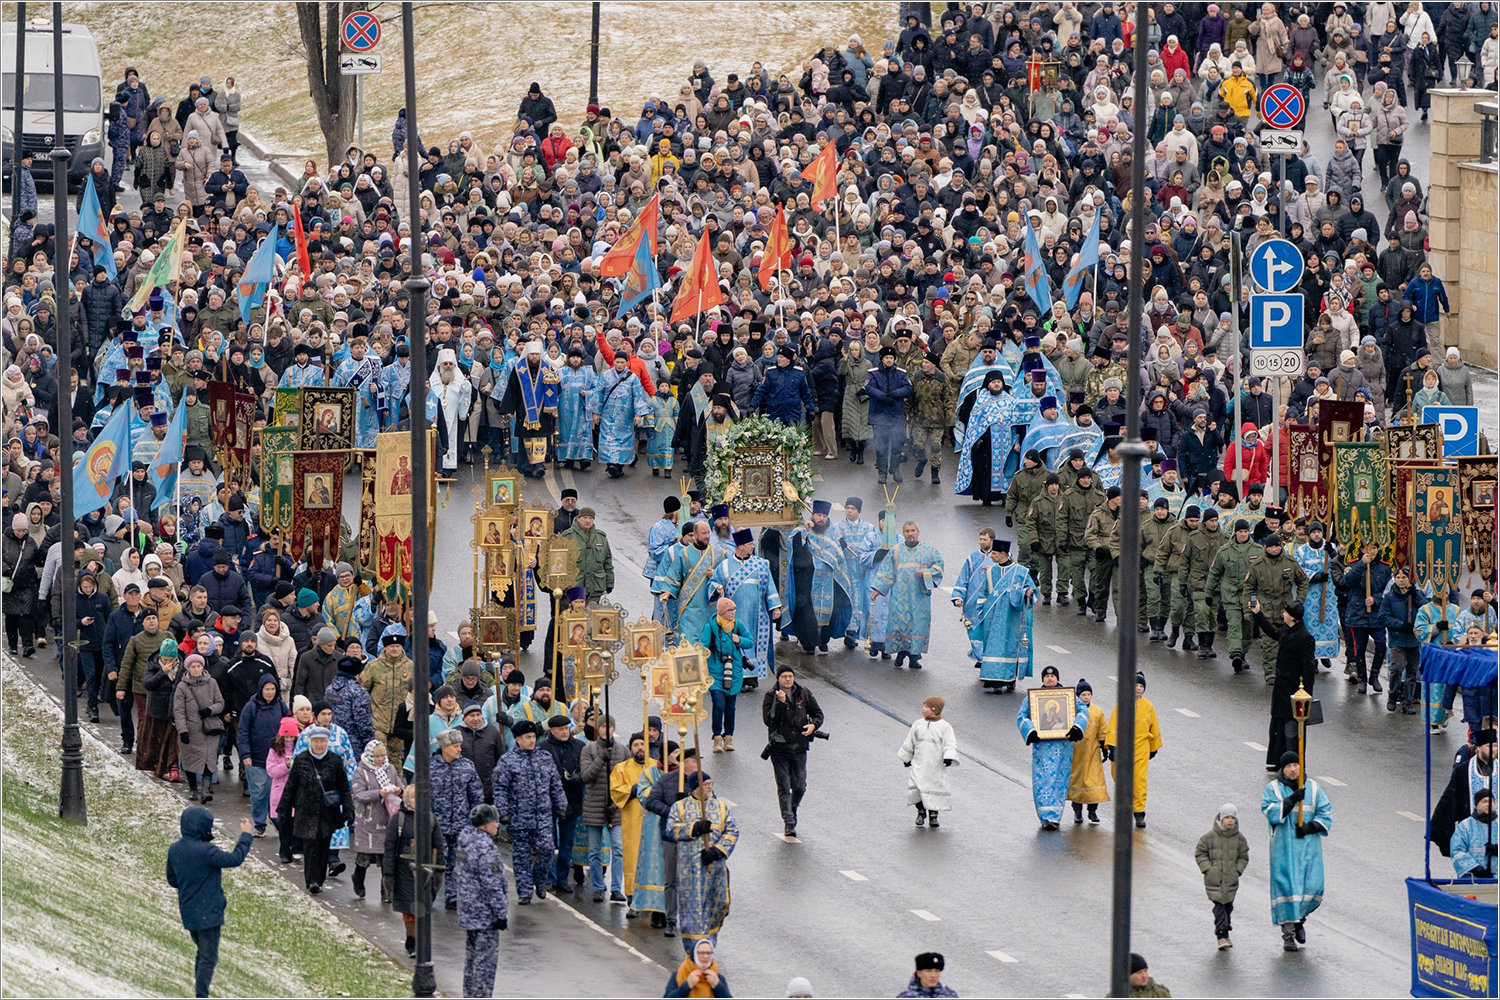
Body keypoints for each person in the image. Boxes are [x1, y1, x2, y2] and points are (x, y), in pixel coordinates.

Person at [165, 808, 254, 999]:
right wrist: (246, 835)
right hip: (209, 912)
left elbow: (172, 880)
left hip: (189, 911)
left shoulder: (175, 849)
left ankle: (200, 992)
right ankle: (201, 995)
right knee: (209, 957)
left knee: (202, 953)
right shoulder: (207, 851)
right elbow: (234, 859)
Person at [1261, 750, 1333, 952]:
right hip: (1285, 851)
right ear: (1283, 770)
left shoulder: (1314, 788)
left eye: (1296, 765)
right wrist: (1291, 801)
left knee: (1313, 887)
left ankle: (1300, 918)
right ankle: (1288, 936)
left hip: (1309, 849)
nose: (1293, 770)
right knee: (1288, 890)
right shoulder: (1273, 789)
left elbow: (1326, 812)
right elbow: (1269, 812)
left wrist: (1311, 827)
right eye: (1288, 766)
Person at [493, 719, 567, 904]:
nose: (532, 740)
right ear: (518, 739)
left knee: (547, 850)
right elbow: (500, 788)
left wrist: (561, 805)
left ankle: (539, 880)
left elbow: (555, 785)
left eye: (534, 737)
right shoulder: (507, 761)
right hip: (518, 816)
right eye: (528, 737)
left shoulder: (544, 758)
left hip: (542, 815)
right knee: (521, 856)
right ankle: (525, 891)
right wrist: (503, 812)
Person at [276, 723, 354, 894]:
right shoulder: (301, 760)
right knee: (310, 846)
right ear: (310, 742)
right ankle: (312, 880)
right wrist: (284, 809)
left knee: (323, 846)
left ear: (327, 742)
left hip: (327, 812)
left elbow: (343, 788)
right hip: (306, 810)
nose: (319, 745)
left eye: (323, 741)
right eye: (316, 741)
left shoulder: (335, 760)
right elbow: (290, 787)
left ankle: (319, 878)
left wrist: (348, 809)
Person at [666, 771, 738, 954]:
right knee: (694, 909)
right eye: (706, 784)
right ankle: (696, 951)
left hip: (715, 869)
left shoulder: (721, 808)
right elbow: (671, 830)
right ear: (695, 787)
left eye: (710, 783)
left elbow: (732, 831)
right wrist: (694, 828)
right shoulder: (679, 807)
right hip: (691, 871)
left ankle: (709, 941)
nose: (710, 787)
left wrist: (716, 851)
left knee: (720, 903)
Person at [1018, 666, 1090, 830]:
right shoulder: (1033, 698)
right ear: (1043, 679)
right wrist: (1030, 731)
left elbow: (1083, 710)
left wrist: (1077, 727)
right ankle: (1044, 816)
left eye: (1052, 676)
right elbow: (1022, 716)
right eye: (1047, 676)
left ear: (1057, 678)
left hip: (1063, 746)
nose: (1050, 679)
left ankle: (1055, 817)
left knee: (1059, 779)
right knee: (1043, 779)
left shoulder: (1068, 697)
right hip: (1042, 746)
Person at [708, 528, 782, 688]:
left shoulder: (761, 565)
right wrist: (717, 587)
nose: (752, 546)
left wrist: (775, 607)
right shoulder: (725, 566)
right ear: (740, 546)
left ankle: (752, 677)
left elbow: (770, 586)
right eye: (749, 544)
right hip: (733, 615)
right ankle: (738, 677)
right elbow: (713, 582)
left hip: (757, 614)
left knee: (751, 642)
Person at [870, 520, 945, 669]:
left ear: (918, 532)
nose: (910, 534)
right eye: (907, 531)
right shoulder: (896, 550)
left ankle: (914, 658)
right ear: (903, 533)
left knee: (917, 627)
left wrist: (926, 573)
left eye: (912, 531)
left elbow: (939, 567)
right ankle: (900, 654)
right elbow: (887, 571)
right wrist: (878, 590)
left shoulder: (929, 550)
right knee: (900, 626)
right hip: (900, 597)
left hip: (920, 598)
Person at [1253, 599, 1317, 770]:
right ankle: (1278, 760)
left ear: (1293, 617)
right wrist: (1258, 614)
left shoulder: (1304, 637)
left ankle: (1295, 765)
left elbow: (1309, 669)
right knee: (1278, 727)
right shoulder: (1288, 630)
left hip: (1295, 692)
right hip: (1281, 689)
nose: (1283, 614)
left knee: (1292, 730)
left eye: (1286, 612)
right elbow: (1273, 633)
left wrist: (1307, 697)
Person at [383, 784, 446, 956]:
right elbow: (389, 847)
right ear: (406, 799)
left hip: (426, 871)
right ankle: (412, 940)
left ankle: (420, 940)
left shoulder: (431, 819)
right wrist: (388, 873)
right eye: (413, 797)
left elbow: (438, 845)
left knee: (422, 909)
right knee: (410, 911)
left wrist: (440, 870)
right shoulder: (398, 819)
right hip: (404, 871)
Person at [762, 664, 824, 838]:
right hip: (780, 749)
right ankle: (789, 822)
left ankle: (792, 808)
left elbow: (818, 713)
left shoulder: (803, 693)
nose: (788, 680)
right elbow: (769, 720)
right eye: (784, 677)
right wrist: (781, 704)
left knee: (799, 786)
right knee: (784, 786)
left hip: (800, 747)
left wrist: (813, 725)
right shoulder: (770, 696)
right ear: (779, 679)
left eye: (790, 676)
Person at [455, 803, 509, 999]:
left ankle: (469, 995)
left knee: (471, 961)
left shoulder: (464, 843)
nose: (498, 825)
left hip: (469, 912)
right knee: (484, 966)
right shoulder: (486, 849)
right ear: (486, 825)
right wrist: (501, 914)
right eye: (495, 821)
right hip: (486, 916)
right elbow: (492, 885)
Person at [966, 539, 1035, 690]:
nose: (991, 556)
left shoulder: (1020, 572)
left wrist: (1027, 593)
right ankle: (991, 678)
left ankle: (1009, 679)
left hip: (1012, 619)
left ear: (1003, 554)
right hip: (992, 617)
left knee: (1009, 648)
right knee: (992, 648)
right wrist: (981, 610)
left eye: (994, 553)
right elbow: (983, 592)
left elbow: (1031, 590)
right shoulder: (991, 572)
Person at [580, 714, 630, 903]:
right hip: (594, 805)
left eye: (609, 726)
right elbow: (586, 776)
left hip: (615, 807)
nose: (606, 730)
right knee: (594, 850)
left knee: (618, 848)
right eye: (602, 727)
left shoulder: (623, 751)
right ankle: (598, 887)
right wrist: (601, 758)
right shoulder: (588, 750)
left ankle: (617, 888)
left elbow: (628, 777)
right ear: (598, 729)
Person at [609, 731, 661, 910]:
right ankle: (632, 898)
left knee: (654, 858)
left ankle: (653, 901)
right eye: (636, 745)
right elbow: (616, 791)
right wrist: (637, 789)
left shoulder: (657, 767)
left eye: (643, 744)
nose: (640, 748)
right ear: (631, 748)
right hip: (632, 820)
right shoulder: (621, 768)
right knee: (632, 857)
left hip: (654, 821)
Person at [1105, 672, 1164, 828]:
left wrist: (1153, 748)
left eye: (1141, 686)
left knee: (1139, 781)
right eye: (1135, 686)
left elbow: (1154, 728)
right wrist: (1112, 747)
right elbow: (1113, 727)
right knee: (1121, 779)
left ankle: (1139, 813)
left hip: (1141, 749)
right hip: (1123, 748)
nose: (1138, 689)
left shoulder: (1148, 706)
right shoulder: (1121, 705)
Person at [349, 739, 404, 900]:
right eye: (377, 756)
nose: (380, 759)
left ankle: (386, 891)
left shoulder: (391, 769)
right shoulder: (360, 771)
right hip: (368, 820)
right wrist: (379, 793)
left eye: (382, 756)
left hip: (387, 819)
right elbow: (359, 794)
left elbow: (400, 786)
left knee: (385, 859)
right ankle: (358, 879)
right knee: (364, 857)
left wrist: (399, 790)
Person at [700, 596, 753, 753]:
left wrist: (739, 640)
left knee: (730, 707)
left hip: (734, 671)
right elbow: (702, 645)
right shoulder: (711, 626)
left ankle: (728, 736)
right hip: (715, 672)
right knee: (718, 705)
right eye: (730, 610)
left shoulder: (738, 625)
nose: (733, 613)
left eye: (734, 610)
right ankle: (717, 737)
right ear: (722, 612)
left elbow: (749, 641)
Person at [1196, 803, 1250, 950]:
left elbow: (1244, 856)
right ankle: (1222, 935)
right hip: (1214, 880)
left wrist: (1237, 870)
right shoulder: (1209, 837)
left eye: (1233, 818)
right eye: (1227, 817)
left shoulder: (1239, 839)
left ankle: (1225, 927)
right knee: (1219, 906)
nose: (1230, 821)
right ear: (1221, 819)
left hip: (1231, 880)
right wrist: (1208, 869)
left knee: (1228, 906)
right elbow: (1200, 852)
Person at [898, 696, 957, 828]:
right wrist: (907, 757)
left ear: (935, 709)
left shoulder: (944, 727)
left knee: (933, 789)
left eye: (926, 707)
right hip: (919, 765)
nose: (923, 709)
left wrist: (948, 756)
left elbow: (950, 743)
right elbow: (910, 741)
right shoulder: (918, 724)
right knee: (918, 789)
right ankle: (920, 811)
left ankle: (933, 815)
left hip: (935, 766)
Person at [1068, 679, 1109, 825]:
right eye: (1083, 694)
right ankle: (1077, 812)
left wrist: (1105, 748)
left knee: (1094, 784)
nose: (1086, 697)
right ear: (1078, 696)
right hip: (1076, 753)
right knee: (1077, 783)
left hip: (1092, 753)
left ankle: (1092, 811)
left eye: (1088, 694)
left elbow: (1103, 731)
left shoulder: (1097, 712)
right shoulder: (1071, 711)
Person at [1450, 789, 1497, 879]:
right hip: (1472, 879)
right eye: (1484, 801)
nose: (1488, 804)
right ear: (1476, 804)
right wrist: (1476, 869)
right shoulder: (1465, 826)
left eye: (1491, 801)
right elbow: (1456, 851)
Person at [665, 938, 732, 999]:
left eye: (708, 953)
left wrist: (717, 985)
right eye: (701, 953)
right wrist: (687, 985)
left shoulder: (717, 977)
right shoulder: (678, 975)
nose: (705, 956)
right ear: (694, 954)